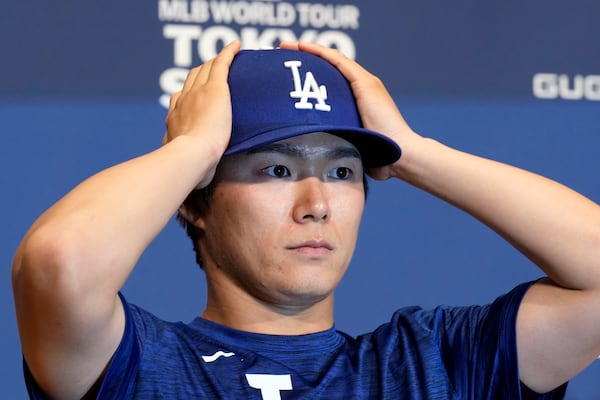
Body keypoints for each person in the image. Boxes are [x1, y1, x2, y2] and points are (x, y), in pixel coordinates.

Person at [11, 40, 600, 399]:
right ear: (193, 202)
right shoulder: (137, 362)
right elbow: (59, 263)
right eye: (276, 170)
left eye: (343, 173)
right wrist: (192, 149)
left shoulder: (436, 362)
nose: (316, 203)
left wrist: (414, 152)